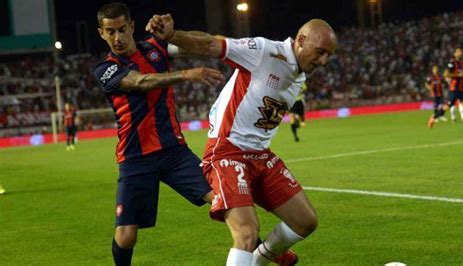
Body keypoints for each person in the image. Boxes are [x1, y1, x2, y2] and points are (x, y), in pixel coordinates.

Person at [147, 14, 337, 265]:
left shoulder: (298, 74)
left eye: (328, 56)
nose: (323, 61)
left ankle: (258, 260)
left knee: (305, 221)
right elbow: (212, 44)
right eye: (320, 52)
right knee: (247, 232)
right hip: (228, 152)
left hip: (261, 155)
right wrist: (172, 35)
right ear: (301, 40)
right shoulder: (264, 51)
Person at [92, 3, 226, 265]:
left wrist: (173, 33)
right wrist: (187, 74)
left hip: (174, 152)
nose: (117, 38)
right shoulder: (105, 69)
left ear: (132, 27)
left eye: (122, 30)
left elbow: (196, 45)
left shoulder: (156, 49)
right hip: (135, 158)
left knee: (222, 199)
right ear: (101, 34)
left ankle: (266, 252)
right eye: (110, 32)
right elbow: (140, 82)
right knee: (126, 236)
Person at [443, 48, 463, 131]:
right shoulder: (452, 63)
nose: (460, 53)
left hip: (461, 89)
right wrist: (457, 75)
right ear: (454, 54)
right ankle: (436, 116)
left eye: (461, 51)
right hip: (454, 89)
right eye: (458, 52)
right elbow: (446, 74)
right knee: (448, 106)